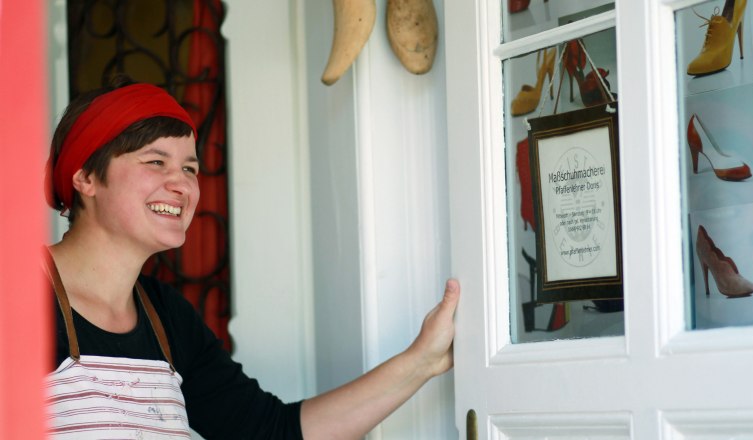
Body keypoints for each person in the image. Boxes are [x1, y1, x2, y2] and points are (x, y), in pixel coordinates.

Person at [43, 76, 460, 439]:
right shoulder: (19, 298)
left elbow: (272, 432)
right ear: (86, 177)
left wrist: (421, 360)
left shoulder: (165, 317)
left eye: (190, 169)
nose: (181, 185)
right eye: (156, 162)